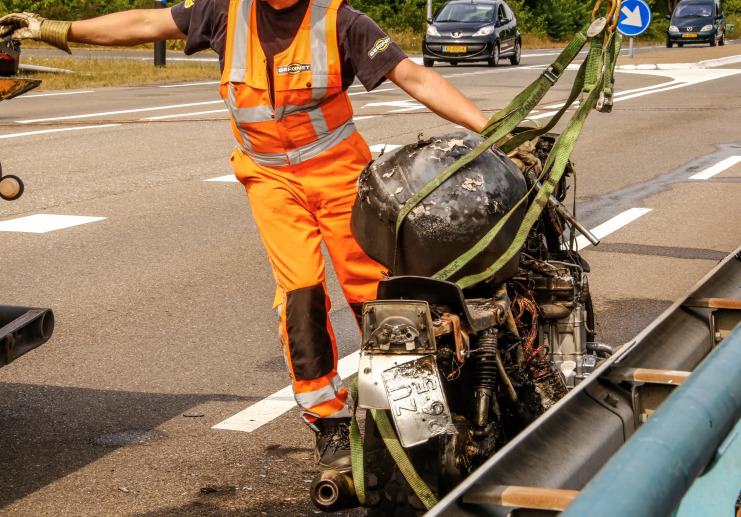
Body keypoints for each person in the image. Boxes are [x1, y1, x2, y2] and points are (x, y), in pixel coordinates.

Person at [0, 1, 489, 470]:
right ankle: (330, 423)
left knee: (373, 293)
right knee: (299, 294)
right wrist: (59, 30)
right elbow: (144, 25)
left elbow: (416, 77)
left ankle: (414, 417)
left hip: (339, 174)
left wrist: (490, 128)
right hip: (270, 178)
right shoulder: (223, 12)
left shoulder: (339, 21)